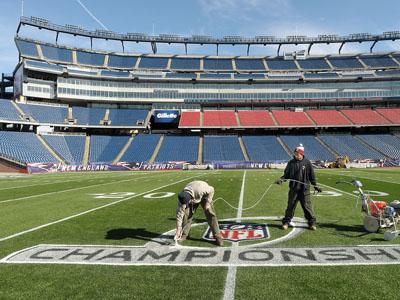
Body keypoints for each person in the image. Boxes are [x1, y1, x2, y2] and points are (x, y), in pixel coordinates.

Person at [275, 144, 322, 231]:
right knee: (290, 206)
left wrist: (315, 186)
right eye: (295, 153)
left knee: (307, 207)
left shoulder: (307, 163)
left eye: (297, 153)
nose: (295, 155)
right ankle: (286, 222)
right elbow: (286, 175)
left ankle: (311, 223)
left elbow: (312, 176)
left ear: (301, 154)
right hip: (294, 189)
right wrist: (281, 180)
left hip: (305, 190)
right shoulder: (291, 163)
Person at [175, 180, 223, 246]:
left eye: (185, 204)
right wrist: (178, 229)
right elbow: (179, 215)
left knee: (210, 213)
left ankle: (217, 236)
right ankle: (184, 234)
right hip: (193, 194)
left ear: (191, 199)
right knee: (186, 214)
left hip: (203, 195)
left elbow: (212, 189)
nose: (184, 206)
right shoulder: (182, 197)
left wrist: (208, 203)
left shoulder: (202, 190)